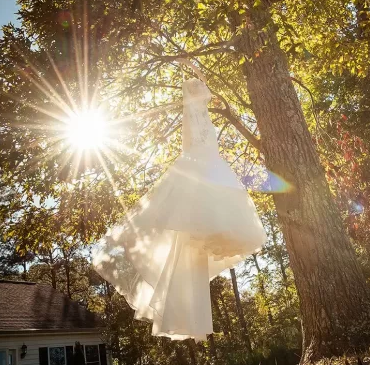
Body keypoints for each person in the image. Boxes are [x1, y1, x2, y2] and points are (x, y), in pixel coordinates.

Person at [93, 78, 266, 341]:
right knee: (185, 249)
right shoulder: (191, 112)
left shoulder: (204, 114)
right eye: (199, 90)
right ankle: (184, 316)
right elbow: (190, 146)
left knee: (193, 250)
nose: (204, 93)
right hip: (201, 177)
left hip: (214, 177)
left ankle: (191, 318)